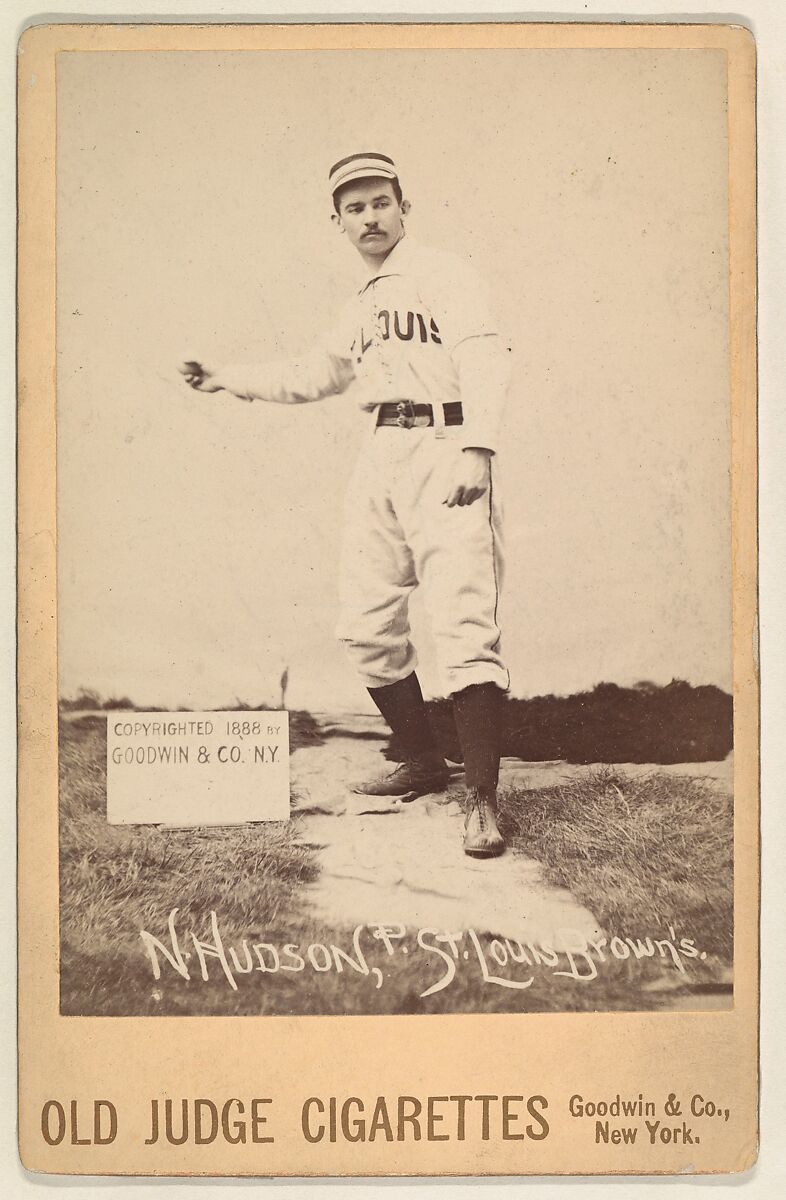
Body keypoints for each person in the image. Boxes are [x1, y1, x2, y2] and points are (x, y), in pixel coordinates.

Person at [179, 151, 512, 857]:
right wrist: (225, 377)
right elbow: (314, 374)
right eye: (354, 207)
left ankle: (480, 797)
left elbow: (486, 355)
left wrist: (477, 448)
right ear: (337, 222)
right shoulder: (357, 306)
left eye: (380, 201)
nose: (370, 216)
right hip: (380, 454)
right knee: (364, 624)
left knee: (463, 620)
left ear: (403, 206)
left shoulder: (445, 273)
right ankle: (421, 759)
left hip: (445, 440)